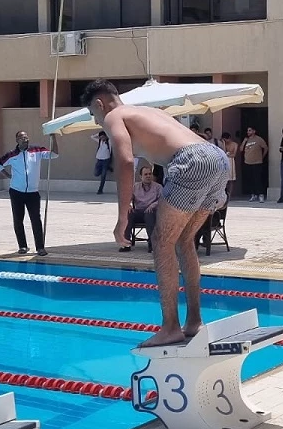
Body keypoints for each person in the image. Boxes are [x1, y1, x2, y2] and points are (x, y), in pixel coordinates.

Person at [81, 79, 230, 347]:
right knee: (184, 242)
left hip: (191, 161)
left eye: (93, 115)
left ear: (99, 104)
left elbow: (126, 162)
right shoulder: (149, 111)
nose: (96, 122)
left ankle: (171, 327)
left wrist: (123, 217)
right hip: (217, 159)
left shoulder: (115, 115)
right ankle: (194, 321)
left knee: (162, 243)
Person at [0, 131, 56, 256]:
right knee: (18, 219)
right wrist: (7, 175)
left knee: (36, 219)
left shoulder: (37, 151)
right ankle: (22, 246)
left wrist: (54, 138)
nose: (25, 139)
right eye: (22, 137)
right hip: (16, 192)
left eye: (26, 137)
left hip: (32, 193)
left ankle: (40, 247)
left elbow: (54, 154)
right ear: (17, 140)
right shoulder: (12, 155)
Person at [125, 164, 161, 252]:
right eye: (146, 174)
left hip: (152, 212)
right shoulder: (135, 187)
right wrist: (127, 205)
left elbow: (163, 200)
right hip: (139, 211)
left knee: (149, 214)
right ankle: (126, 243)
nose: (148, 176)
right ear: (141, 176)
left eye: (150, 174)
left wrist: (153, 205)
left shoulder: (158, 187)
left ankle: (152, 245)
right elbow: (126, 198)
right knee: (128, 213)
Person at [240, 127, 269, 202]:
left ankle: (261, 195)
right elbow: (241, 149)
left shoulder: (259, 139)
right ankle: (253, 195)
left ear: (254, 131)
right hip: (247, 162)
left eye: (250, 130)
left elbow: (265, 148)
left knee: (258, 179)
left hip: (257, 162)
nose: (248, 132)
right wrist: (244, 141)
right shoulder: (247, 140)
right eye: (247, 131)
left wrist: (262, 156)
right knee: (250, 180)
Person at [220, 132, 238, 200]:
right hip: (224, 161)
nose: (226, 141)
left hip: (231, 161)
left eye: (226, 140)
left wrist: (227, 154)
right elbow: (223, 152)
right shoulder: (223, 144)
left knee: (231, 179)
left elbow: (234, 155)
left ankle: (229, 195)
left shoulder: (235, 144)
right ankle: (224, 195)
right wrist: (224, 144)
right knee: (224, 179)